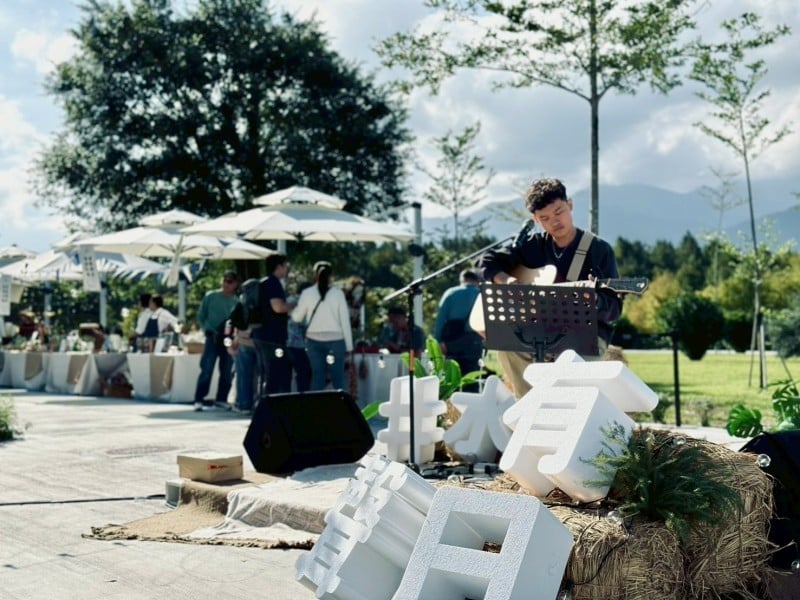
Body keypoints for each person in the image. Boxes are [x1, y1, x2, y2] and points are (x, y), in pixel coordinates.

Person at [476, 177, 622, 399]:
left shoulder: (598, 250)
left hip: (586, 336)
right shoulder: (532, 246)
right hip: (539, 332)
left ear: (570, 205)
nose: (555, 221)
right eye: (544, 218)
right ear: (535, 219)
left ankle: (568, 417)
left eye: (559, 211)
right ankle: (530, 409)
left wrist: (590, 301)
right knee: (508, 345)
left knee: (570, 359)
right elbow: (486, 262)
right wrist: (508, 281)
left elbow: (614, 308)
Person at [291, 261, 353, 392]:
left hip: (313, 341)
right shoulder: (338, 294)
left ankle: (315, 410)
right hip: (336, 341)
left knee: (317, 378)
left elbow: (297, 317)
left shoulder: (307, 293)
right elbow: (345, 322)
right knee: (338, 379)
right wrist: (349, 347)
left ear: (315, 275)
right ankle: (342, 410)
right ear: (331, 276)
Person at [193, 270, 240, 411]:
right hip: (212, 337)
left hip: (227, 339)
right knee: (206, 369)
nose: (226, 283)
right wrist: (206, 329)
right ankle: (199, 399)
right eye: (224, 280)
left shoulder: (237, 301)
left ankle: (221, 399)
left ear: (236, 284)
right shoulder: (211, 296)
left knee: (226, 371)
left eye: (230, 281)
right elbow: (201, 315)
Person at [251, 253, 291, 396]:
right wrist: (294, 305)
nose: (287, 269)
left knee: (265, 372)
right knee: (274, 373)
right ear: (279, 267)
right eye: (286, 266)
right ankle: (269, 407)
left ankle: (263, 403)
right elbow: (278, 307)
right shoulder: (273, 283)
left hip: (260, 334)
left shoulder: (263, 283)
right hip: (272, 337)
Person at [434, 269, 484, 380]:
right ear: (477, 280)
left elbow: (440, 319)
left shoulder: (450, 293)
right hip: (474, 342)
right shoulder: (481, 295)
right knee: (471, 379)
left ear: (462, 279)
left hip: (451, 342)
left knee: (451, 379)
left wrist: (439, 341)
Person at [286, 289, 312, 393]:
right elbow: (304, 325)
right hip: (297, 344)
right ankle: (303, 397)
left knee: (285, 374)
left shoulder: (289, 300)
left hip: (284, 342)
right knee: (303, 372)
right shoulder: (303, 303)